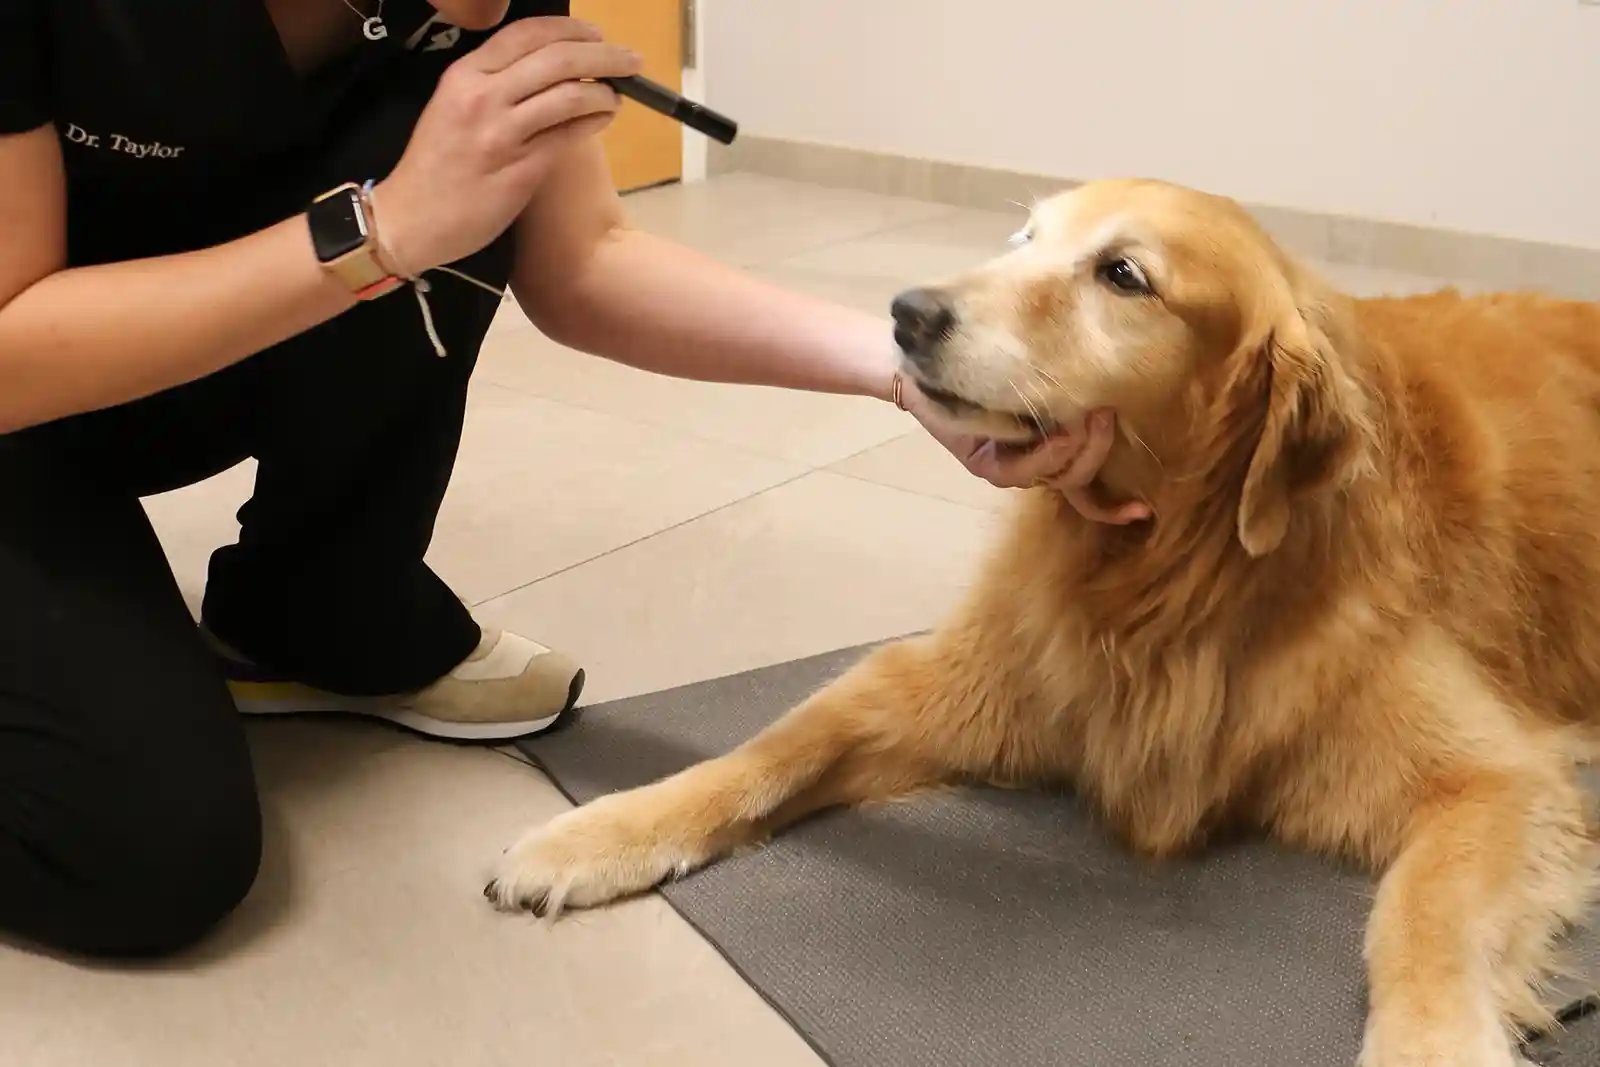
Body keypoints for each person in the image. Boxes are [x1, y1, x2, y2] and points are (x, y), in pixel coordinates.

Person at [0, 0, 1144, 959]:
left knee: (479, 132)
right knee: (144, 854)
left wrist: (904, 377)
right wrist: (382, 228)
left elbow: (588, 263)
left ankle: (309, 616)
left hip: (165, 364)